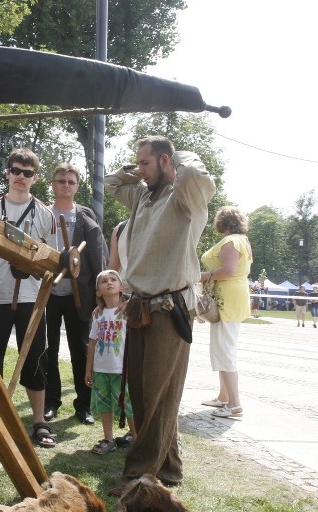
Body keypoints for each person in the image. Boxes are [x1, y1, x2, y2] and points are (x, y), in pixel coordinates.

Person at [104, 135, 215, 491]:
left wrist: (174, 159)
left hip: (170, 310)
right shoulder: (143, 193)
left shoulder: (186, 196)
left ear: (167, 162)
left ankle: (139, 474)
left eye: (146, 163)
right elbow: (111, 182)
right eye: (138, 163)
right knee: (143, 392)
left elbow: (199, 176)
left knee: (157, 393)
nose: (139, 170)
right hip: (139, 307)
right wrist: (140, 172)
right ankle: (170, 469)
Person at [0, 148, 57, 448]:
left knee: (35, 360)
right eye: (16, 171)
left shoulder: (44, 214)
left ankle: (38, 420)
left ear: (35, 178)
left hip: (31, 298)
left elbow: (51, 260)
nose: (21, 177)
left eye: (27, 173)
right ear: (8, 173)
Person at [43, 163, 108, 426]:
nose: (66, 185)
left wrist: (100, 295)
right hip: (48, 292)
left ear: (77, 186)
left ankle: (84, 404)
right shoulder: (43, 214)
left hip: (78, 295)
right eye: (61, 181)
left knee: (81, 349)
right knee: (49, 349)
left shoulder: (86, 218)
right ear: (53, 184)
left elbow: (98, 257)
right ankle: (51, 401)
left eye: (71, 181)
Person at [198, 206, 253, 419]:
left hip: (227, 298)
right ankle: (224, 397)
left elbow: (228, 270)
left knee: (225, 351)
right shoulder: (242, 240)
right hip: (232, 296)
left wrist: (203, 276)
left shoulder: (232, 242)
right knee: (223, 348)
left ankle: (235, 403)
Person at [85, 270, 136, 455]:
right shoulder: (98, 314)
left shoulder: (128, 310)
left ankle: (137, 441)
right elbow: (92, 343)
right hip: (101, 369)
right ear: (98, 292)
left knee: (128, 406)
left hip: (122, 370)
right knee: (105, 405)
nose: (109, 283)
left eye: (114, 280)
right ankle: (109, 439)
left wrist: (130, 302)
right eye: (104, 281)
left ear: (121, 287)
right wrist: (88, 370)